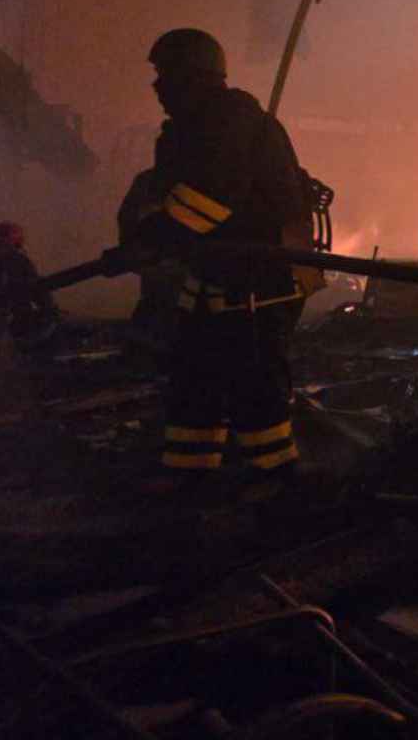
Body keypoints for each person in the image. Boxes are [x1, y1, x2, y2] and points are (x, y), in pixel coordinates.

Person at [121, 28, 311, 495]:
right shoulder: (195, 126)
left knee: (254, 382)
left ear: (193, 77)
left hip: (260, 279)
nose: (158, 88)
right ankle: (189, 472)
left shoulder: (230, 120)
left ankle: (276, 479)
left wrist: (155, 236)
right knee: (194, 374)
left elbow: (210, 196)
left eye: (165, 76)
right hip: (214, 275)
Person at [0, 221, 60, 344]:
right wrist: (50, 312)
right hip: (15, 324)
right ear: (16, 240)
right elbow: (38, 290)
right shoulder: (19, 260)